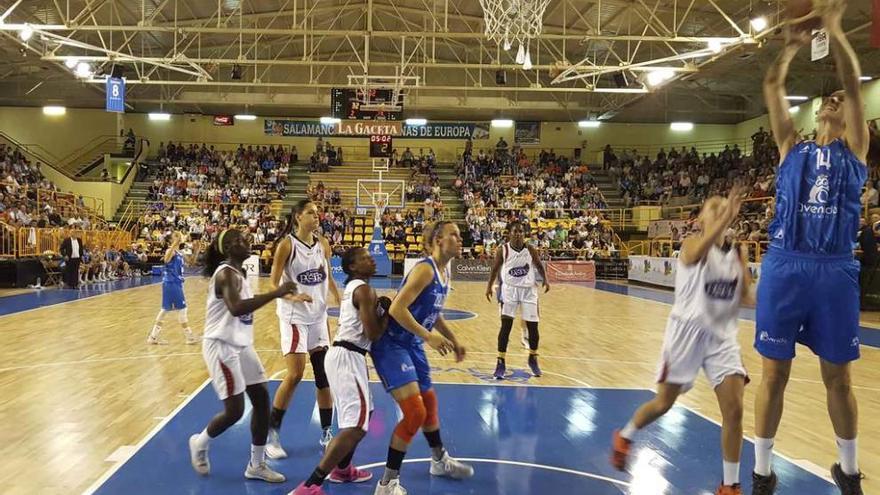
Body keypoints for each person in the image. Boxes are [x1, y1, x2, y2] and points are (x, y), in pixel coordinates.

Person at [752, 4, 869, 494]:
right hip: (785, 264)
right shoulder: (791, 147)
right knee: (773, 373)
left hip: (833, 267)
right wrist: (791, 49)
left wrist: (837, 29)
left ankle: (848, 468)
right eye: (831, 98)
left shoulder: (855, 149)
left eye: (842, 99)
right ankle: (761, 472)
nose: (835, 99)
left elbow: (854, 80)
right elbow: (772, 88)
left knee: (837, 378)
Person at [611, 190, 751, 495]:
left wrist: (783, 301)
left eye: (724, 209)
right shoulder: (690, 244)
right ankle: (625, 435)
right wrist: (725, 216)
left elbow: (746, 297)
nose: (719, 212)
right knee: (664, 403)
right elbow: (696, 253)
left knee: (735, 410)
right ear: (700, 219)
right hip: (685, 333)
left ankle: (730, 485)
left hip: (722, 337)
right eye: (713, 209)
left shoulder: (738, 252)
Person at [187, 228, 303, 483]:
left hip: (241, 345)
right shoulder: (226, 274)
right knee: (235, 411)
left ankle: (256, 465)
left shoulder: (240, 272)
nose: (246, 241)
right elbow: (237, 308)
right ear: (228, 249)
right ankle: (200, 441)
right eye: (239, 240)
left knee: (261, 399)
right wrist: (277, 292)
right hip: (221, 346)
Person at [371, 221, 473, 495]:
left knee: (429, 402)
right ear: (439, 240)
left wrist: (453, 340)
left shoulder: (444, 272)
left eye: (460, 235)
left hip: (412, 344)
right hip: (392, 345)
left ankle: (439, 460)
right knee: (415, 413)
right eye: (454, 234)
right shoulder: (425, 270)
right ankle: (386, 484)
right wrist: (429, 337)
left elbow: (434, 312)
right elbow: (396, 309)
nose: (459, 239)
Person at [289, 247, 390, 494]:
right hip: (348, 357)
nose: (372, 260)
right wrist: (386, 312)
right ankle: (311, 484)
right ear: (353, 266)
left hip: (347, 355)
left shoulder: (355, 288)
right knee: (356, 426)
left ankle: (343, 470)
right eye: (365, 258)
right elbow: (373, 333)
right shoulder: (364, 290)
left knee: (366, 415)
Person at [268, 199, 341, 458]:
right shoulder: (286, 245)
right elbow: (273, 283)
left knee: (324, 375)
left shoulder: (323, 244)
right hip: (294, 317)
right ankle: (272, 434)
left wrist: (341, 300)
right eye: (310, 212)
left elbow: (329, 276)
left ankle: (326, 432)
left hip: (318, 318)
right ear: (298, 217)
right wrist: (292, 297)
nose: (316, 215)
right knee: (296, 375)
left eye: (317, 212)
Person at [485, 221, 550, 379]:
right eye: (515, 231)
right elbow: (495, 269)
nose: (518, 234)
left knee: (533, 327)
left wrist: (546, 280)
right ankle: (500, 361)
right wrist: (489, 286)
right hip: (510, 290)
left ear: (524, 233)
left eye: (521, 231)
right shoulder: (503, 250)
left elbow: (539, 265)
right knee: (506, 325)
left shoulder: (530, 249)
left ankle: (533, 358)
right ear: (509, 233)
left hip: (529, 291)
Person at [147, 231, 200, 345]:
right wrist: (174, 244)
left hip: (175, 283)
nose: (179, 236)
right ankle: (189, 336)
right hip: (171, 283)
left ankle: (153, 336)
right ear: (171, 240)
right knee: (182, 309)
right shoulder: (170, 251)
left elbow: (191, 263)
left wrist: (196, 250)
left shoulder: (179, 252)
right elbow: (166, 259)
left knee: (165, 310)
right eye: (176, 236)